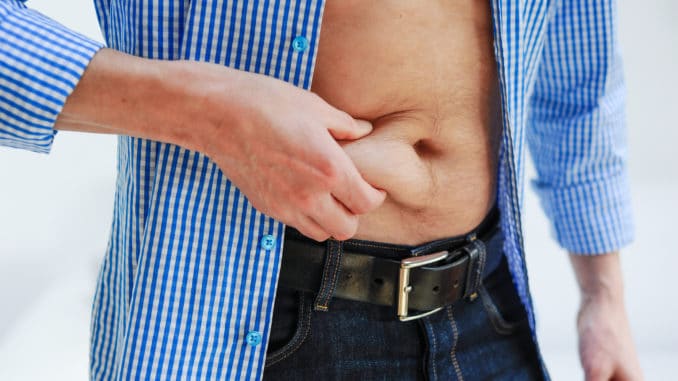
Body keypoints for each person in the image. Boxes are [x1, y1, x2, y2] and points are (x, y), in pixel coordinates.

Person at [0, 0, 643, 380]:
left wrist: (603, 296)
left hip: (488, 316)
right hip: (259, 332)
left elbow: (578, 60)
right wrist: (216, 115)